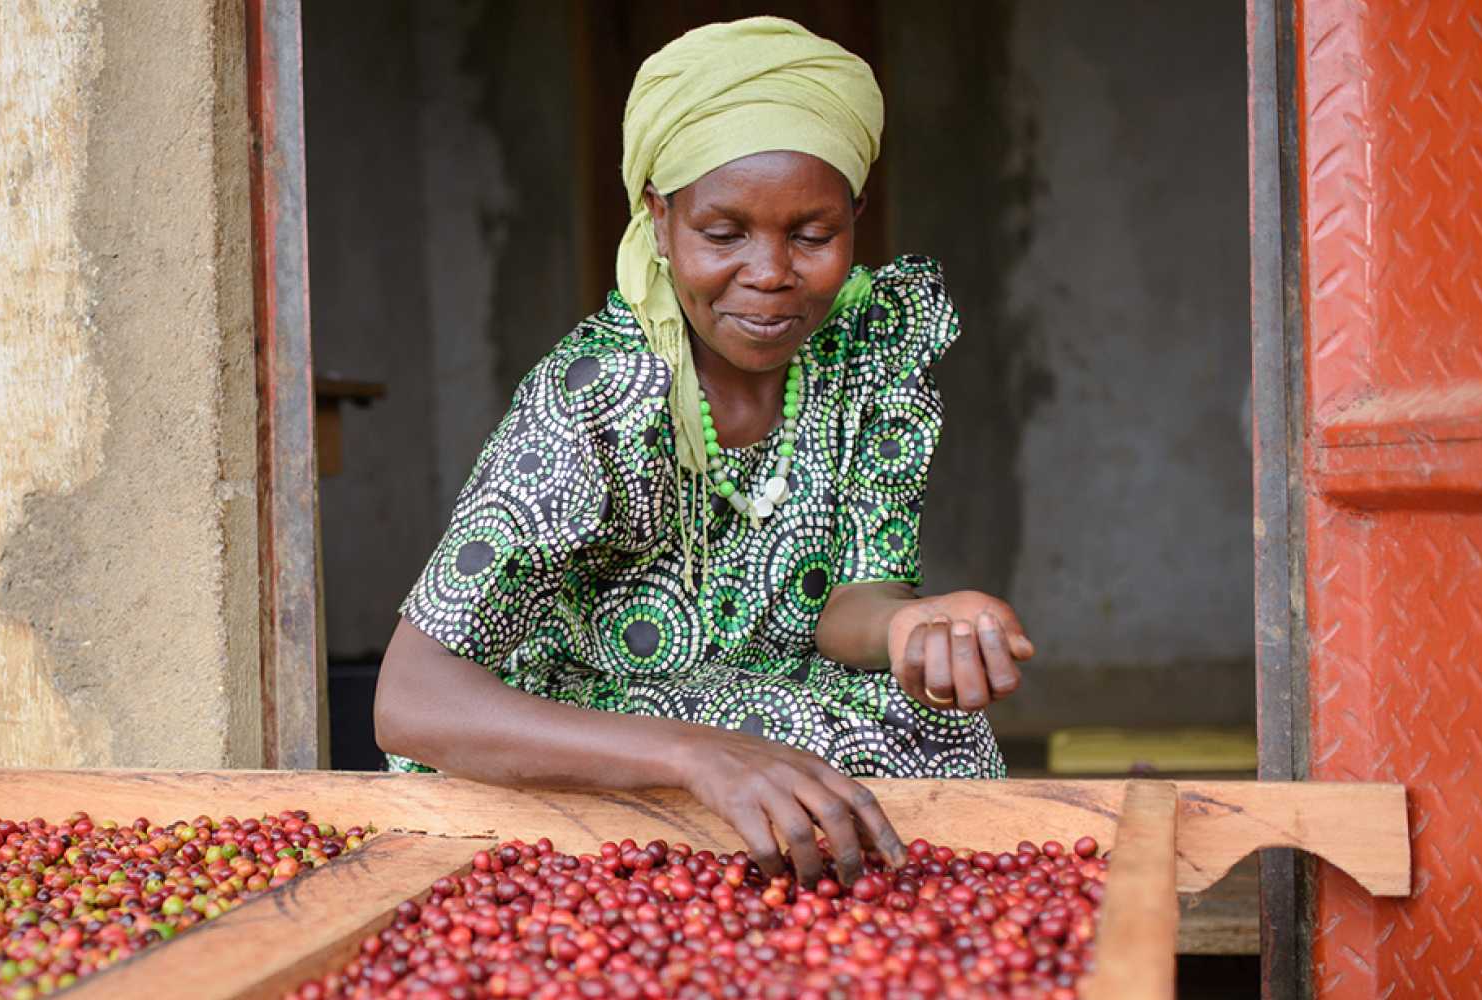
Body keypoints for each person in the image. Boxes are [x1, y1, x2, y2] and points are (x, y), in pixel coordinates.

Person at [373, 16, 1036, 885]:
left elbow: (850, 607)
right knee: (784, 746)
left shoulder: (868, 349)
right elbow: (411, 703)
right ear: (660, 216)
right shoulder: (600, 397)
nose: (769, 274)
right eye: (723, 234)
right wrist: (698, 754)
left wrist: (913, 624)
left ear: (856, 218)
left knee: (935, 723)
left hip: (770, 711)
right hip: (597, 736)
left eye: (812, 234)